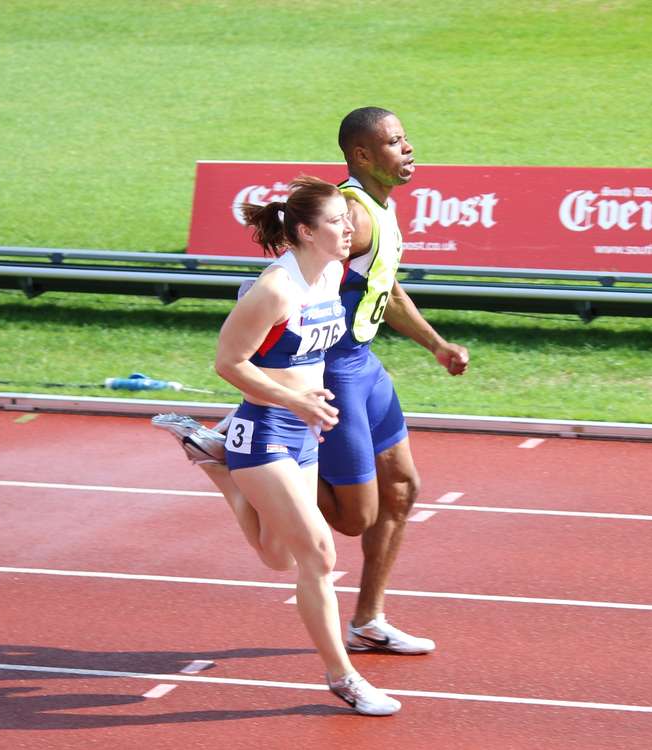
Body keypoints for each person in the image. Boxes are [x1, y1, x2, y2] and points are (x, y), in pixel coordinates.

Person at [154, 175, 401, 716]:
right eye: (338, 220)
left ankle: (216, 466)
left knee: (275, 555)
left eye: (349, 218)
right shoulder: (275, 289)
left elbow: (310, 349)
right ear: (307, 232)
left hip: (303, 429)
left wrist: (317, 400)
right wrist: (295, 402)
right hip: (265, 431)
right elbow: (227, 363)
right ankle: (343, 677)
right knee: (318, 553)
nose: (350, 227)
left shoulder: (333, 273)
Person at [312, 106, 469, 654]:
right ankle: (253, 458)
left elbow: (389, 290)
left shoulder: (381, 207)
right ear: (361, 155)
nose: (408, 149)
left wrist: (436, 345)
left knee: (401, 490)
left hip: (364, 365)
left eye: (406, 139)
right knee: (356, 518)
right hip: (331, 370)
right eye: (395, 142)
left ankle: (367, 621)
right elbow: (292, 283)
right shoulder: (350, 216)